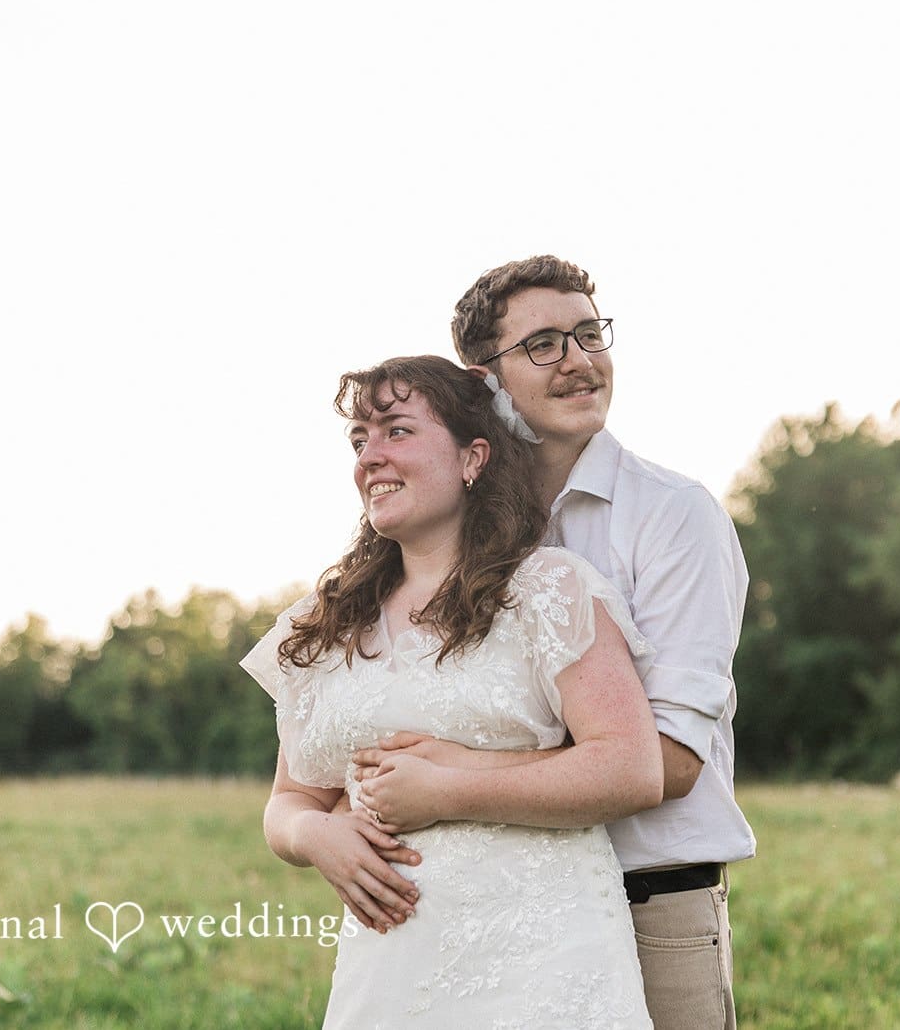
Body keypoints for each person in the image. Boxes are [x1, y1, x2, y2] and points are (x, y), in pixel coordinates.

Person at [352, 257, 756, 1030]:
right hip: (490, 914)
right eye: (543, 344)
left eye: (588, 333)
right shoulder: (449, 532)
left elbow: (669, 760)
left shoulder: (675, 517)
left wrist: (454, 774)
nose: (579, 360)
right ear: (483, 383)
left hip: (649, 901)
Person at [242, 355, 663, 1028]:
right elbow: (288, 801)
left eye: (397, 431)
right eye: (359, 440)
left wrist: (447, 789)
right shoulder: (325, 623)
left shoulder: (547, 591)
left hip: (543, 968)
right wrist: (316, 834)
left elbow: (631, 767)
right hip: (388, 975)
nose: (369, 457)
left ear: (473, 459)